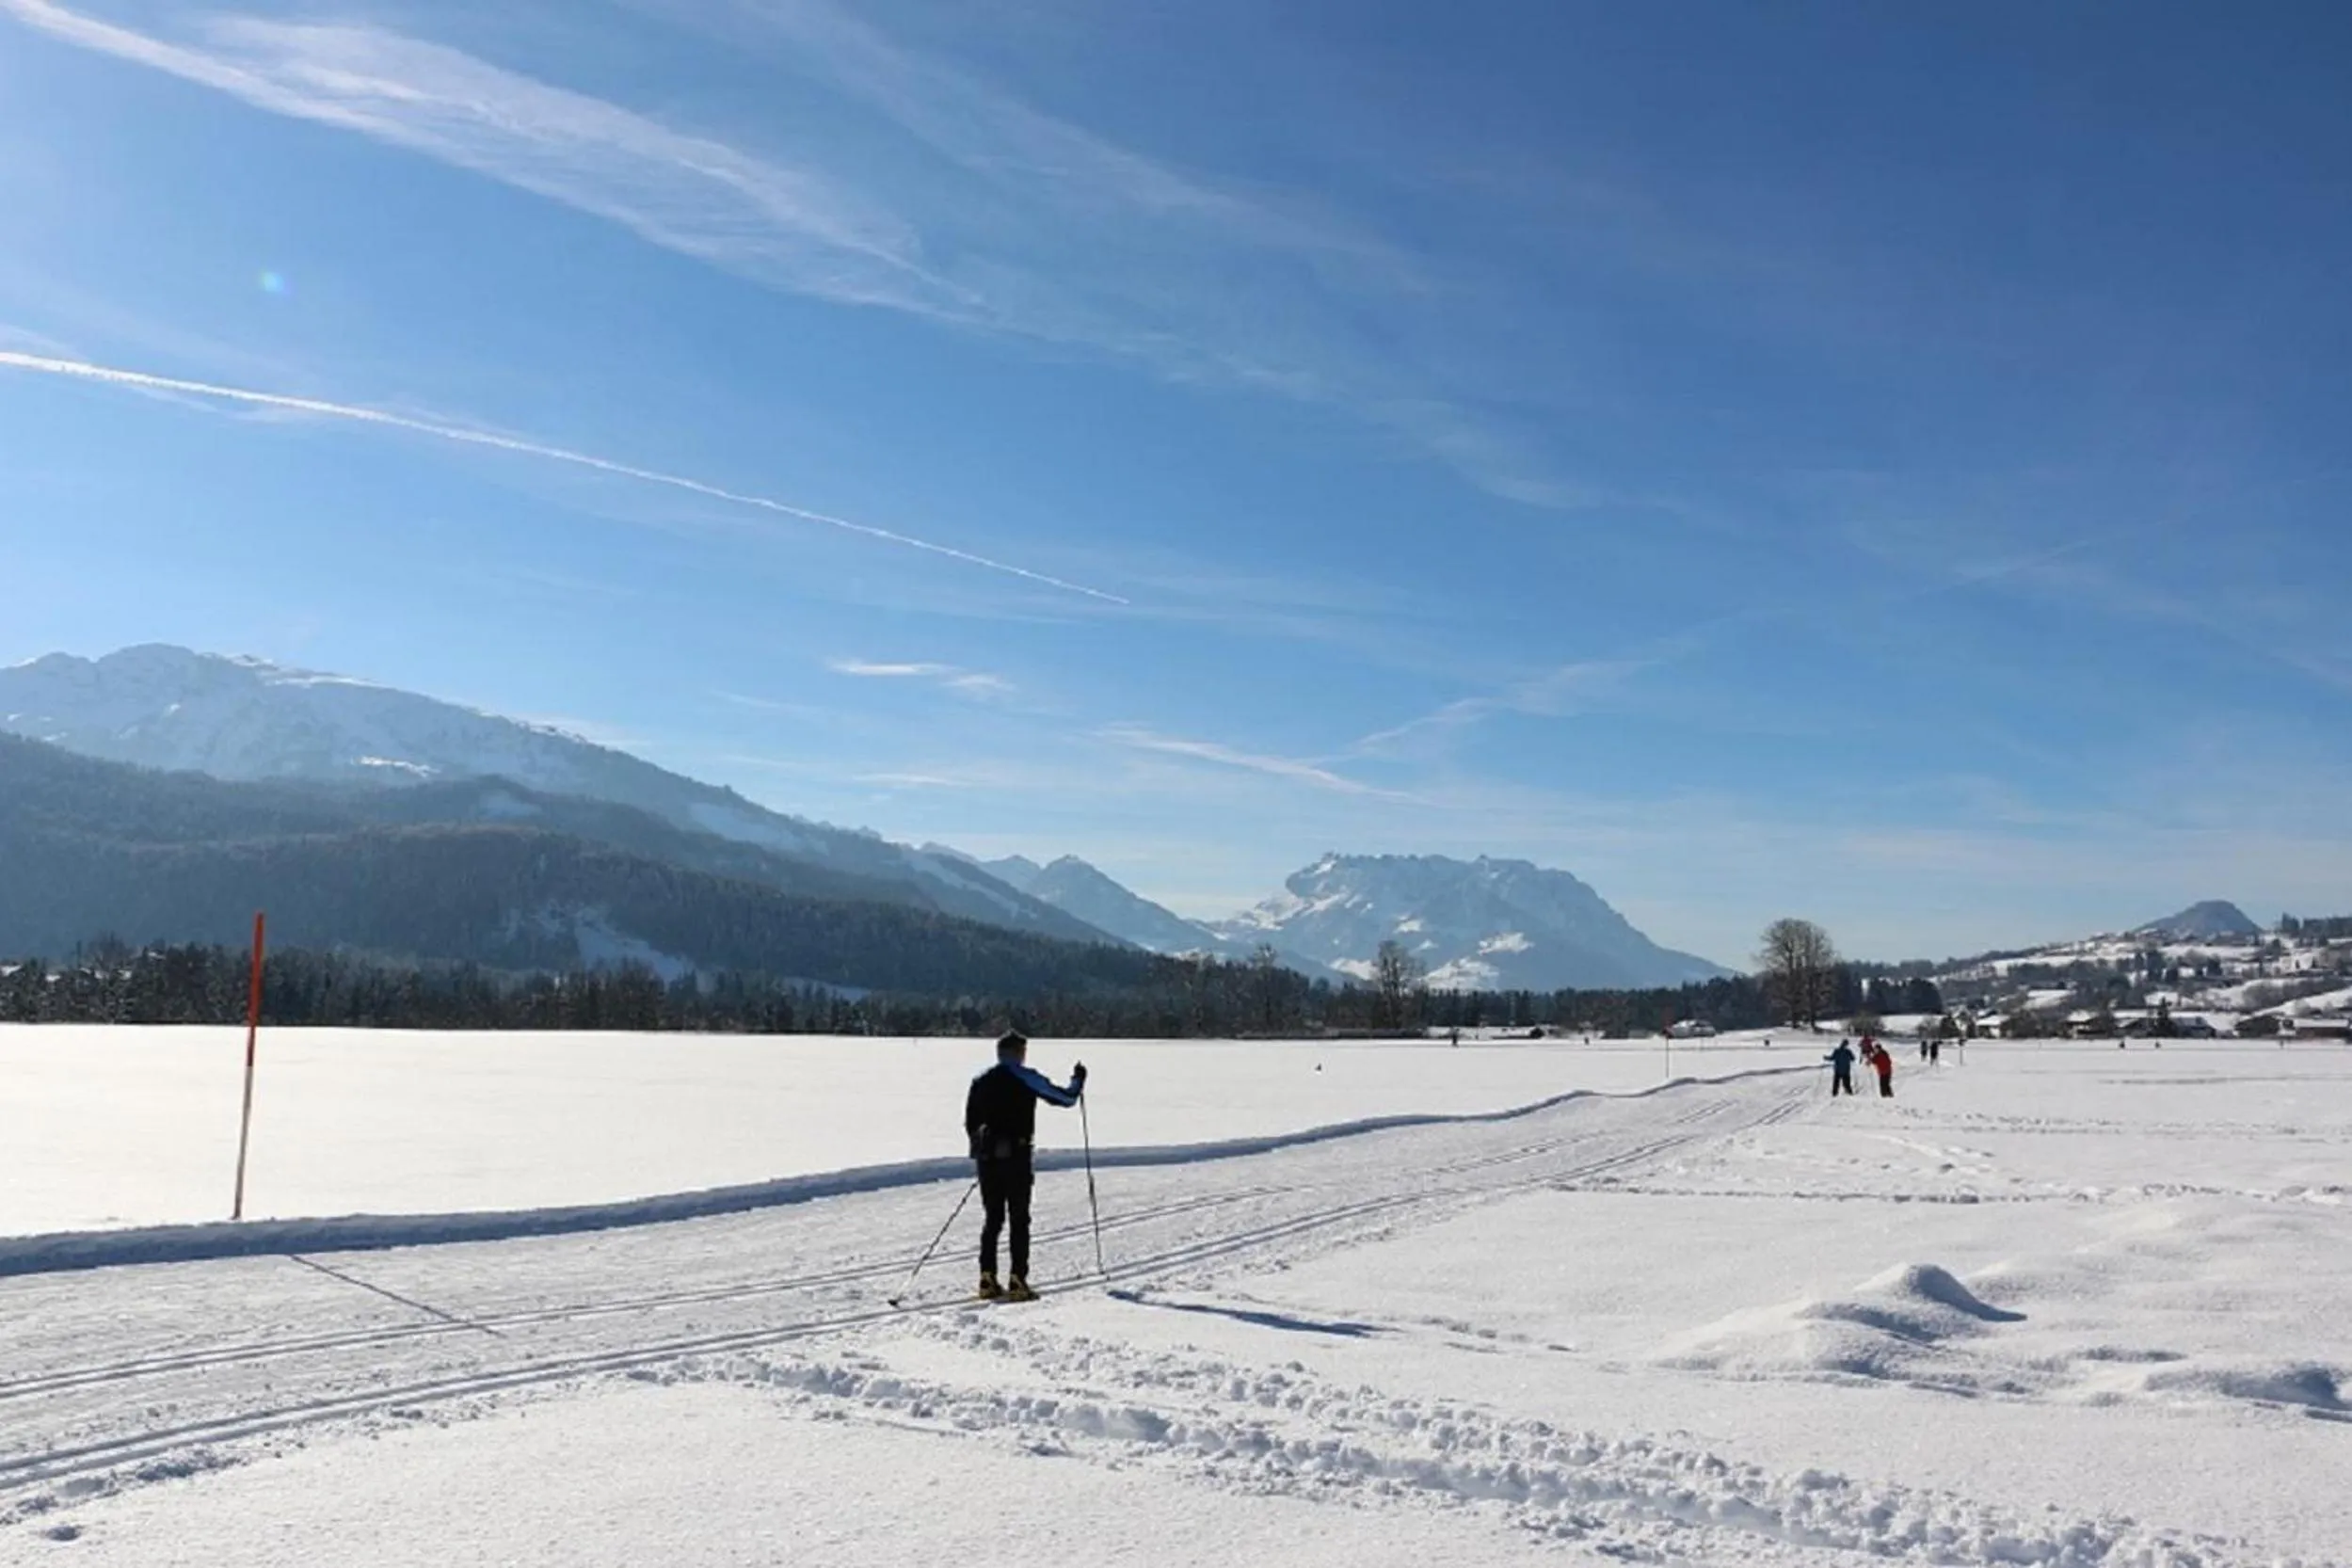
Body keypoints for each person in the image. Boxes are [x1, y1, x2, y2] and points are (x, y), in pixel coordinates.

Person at [964, 1031, 1087, 1303]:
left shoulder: (980, 1080)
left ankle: (987, 1278)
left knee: (993, 1218)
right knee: (1019, 1218)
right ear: (1018, 1053)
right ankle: (1018, 1279)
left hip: (987, 1159)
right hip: (1016, 1157)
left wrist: (981, 1148)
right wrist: (1078, 1080)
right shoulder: (1025, 1077)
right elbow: (1065, 1098)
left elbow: (970, 1122)